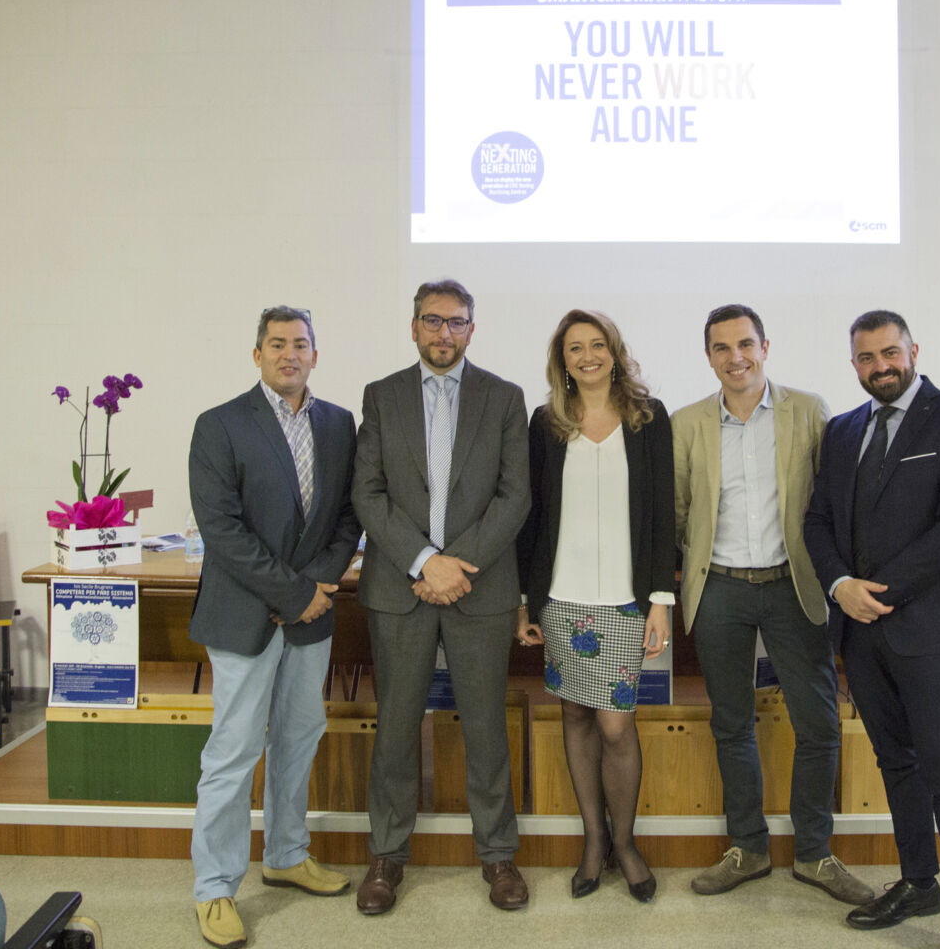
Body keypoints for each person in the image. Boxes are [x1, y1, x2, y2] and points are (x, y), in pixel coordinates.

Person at [803, 310, 940, 949]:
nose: (880, 367)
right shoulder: (842, 430)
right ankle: (919, 883)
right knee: (896, 763)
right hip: (860, 632)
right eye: (866, 358)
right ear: (853, 363)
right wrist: (839, 586)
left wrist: (875, 592)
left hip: (930, 629)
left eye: (890, 353)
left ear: (913, 349)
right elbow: (818, 522)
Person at [672, 304, 873, 905]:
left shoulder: (808, 411)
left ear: (765, 346)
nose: (735, 357)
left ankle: (813, 853)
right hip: (721, 589)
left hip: (795, 585)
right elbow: (680, 510)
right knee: (731, 723)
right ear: (708, 356)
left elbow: (833, 500)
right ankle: (748, 848)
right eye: (721, 348)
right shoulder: (687, 423)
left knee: (817, 723)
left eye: (745, 344)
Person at [351, 279, 532, 914]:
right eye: (432, 321)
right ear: (414, 327)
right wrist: (427, 561)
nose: (443, 333)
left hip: (480, 589)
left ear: (472, 330)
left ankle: (499, 855)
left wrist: (459, 565)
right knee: (396, 726)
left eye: (456, 323)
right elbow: (367, 493)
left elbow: (516, 496)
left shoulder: (505, 398)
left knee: (485, 726)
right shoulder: (381, 397)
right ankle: (386, 856)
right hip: (400, 586)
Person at [187, 305, 363, 949]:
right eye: (278, 343)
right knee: (233, 753)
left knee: (298, 737)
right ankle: (215, 888)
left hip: (311, 618)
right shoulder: (220, 425)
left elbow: (350, 515)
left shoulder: (340, 424)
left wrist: (320, 585)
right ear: (256, 354)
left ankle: (287, 853)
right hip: (246, 618)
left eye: (302, 344)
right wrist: (296, 593)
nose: (290, 354)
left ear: (316, 354)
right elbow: (222, 530)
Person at [515, 310, 674, 903]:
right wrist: (524, 602)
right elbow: (532, 518)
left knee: (615, 722)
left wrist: (660, 600)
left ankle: (625, 843)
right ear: (562, 357)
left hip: (627, 602)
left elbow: (662, 514)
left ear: (614, 351)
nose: (587, 356)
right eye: (575, 347)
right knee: (576, 715)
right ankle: (592, 842)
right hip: (561, 597)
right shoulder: (546, 421)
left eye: (597, 345)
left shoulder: (647, 417)